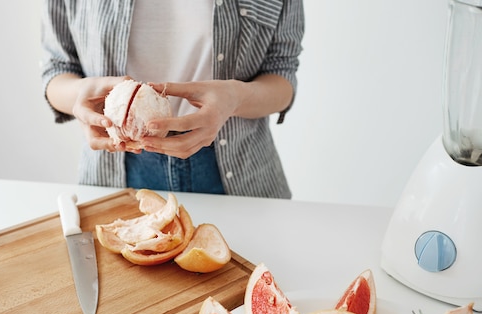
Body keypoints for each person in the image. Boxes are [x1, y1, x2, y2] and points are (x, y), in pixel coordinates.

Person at [41, 0, 304, 198]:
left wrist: (236, 97)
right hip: (116, 172)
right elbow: (57, 70)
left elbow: (281, 74)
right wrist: (83, 97)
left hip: (239, 173)